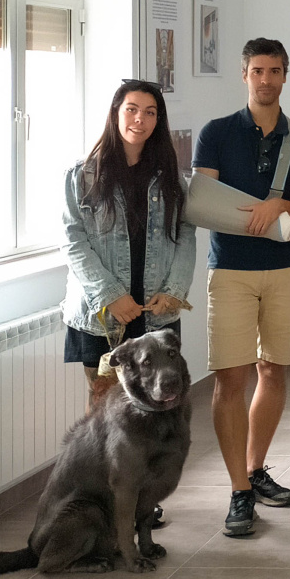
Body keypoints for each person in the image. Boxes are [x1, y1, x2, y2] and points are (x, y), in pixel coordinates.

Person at [194, 38, 290, 536]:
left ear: (286, 76)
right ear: (243, 74)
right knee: (231, 377)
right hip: (230, 270)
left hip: (286, 269)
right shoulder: (217, 133)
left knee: (273, 370)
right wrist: (263, 207)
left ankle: (255, 469)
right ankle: (238, 492)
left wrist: (281, 207)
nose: (265, 79)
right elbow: (204, 204)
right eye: (257, 70)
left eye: (274, 70)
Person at [61, 80, 195, 410]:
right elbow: (72, 241)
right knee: (106, 409)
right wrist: (111, 296)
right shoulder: (82, 175)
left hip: (155, 313)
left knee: (161, 406)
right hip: (103, 315)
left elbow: (186, 233)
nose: (140, 119)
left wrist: (174, 290)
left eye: (150, 113)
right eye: (131, 110)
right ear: (116, 113)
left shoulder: (170, 177)